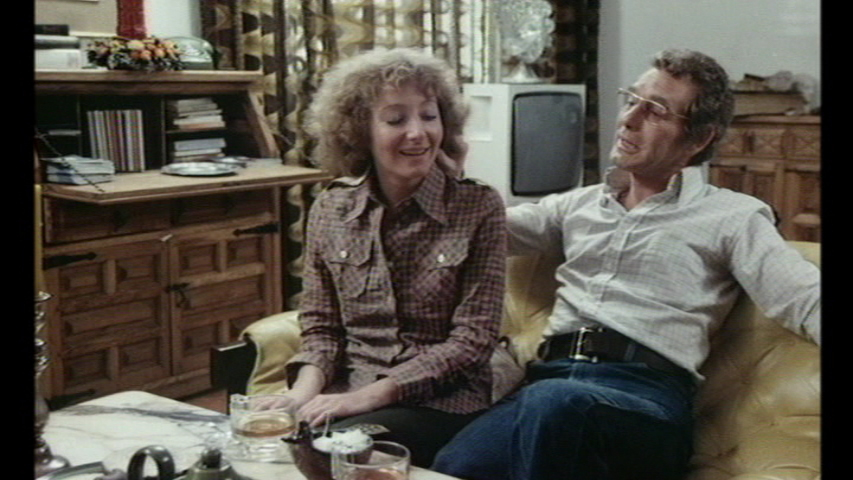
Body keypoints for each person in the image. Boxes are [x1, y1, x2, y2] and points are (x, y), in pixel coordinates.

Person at [431, 48, 821, 480]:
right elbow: (479, 228)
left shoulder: (733, 216)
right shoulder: (578, 205)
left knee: (555, 406)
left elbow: (803, 297)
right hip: (548, 383)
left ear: (699, 139)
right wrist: (445, 176)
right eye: (631, 100)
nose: (628, 119)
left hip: (644, 401)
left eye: (655, 110)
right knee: (454, 465)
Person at [270, 47, 507, 467]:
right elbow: (322, 328)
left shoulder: (478, 205)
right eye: (396, 120)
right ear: (360, 131)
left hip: (444, 399)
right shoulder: (331, 207)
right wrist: (298, 395)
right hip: (350, 389)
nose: (417, 133)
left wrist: (369, 397)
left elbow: (473, 340)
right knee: (275, 440)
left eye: (429, 116)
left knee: (334, 450)